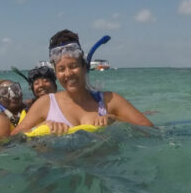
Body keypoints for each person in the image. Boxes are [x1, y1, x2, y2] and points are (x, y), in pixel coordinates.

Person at [12, 29, 153, 135]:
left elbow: (151, 131)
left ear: (84, 67)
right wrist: (41, 126)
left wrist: (116, 120)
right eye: (61, 69)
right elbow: (13, 139)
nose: (68, 74)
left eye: (73, 66)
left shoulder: (110, 101)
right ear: (56, 73)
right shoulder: (46, 104)